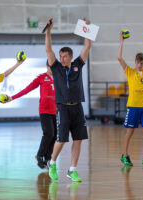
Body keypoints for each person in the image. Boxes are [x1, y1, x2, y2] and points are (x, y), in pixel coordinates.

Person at [45, 18, 91, 182]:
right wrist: (49, 30)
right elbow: (48, 49)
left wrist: (87, 27)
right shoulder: (56, 67)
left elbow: (87, 46)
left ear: (71, 57)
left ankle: (72, 170)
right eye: (61, 56)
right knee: (61, 139)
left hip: (77, 107)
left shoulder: (78, 64)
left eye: (65, 56)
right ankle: (52, 163)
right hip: (62, 108)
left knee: (78, 139)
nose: (62, 59)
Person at [5, 63, 56, 169]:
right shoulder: (42, 78)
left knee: (55, 135)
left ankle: (47, 159)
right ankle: (39, 155)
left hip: (56, 111)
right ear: (47, 66)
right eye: (51, 66)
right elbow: (27, 89)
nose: (53, 69)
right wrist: (12, 98)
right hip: (44, 110)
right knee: (49, 133)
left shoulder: (58, 78)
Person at [118, 30, 143, 167]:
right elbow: (119, 58)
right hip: (133, 106)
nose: (140, 65)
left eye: (142, 63)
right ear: (135, 62)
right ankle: (125, 155)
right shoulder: (130, 71)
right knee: (130, 132)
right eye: (138, 63)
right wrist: (121, 42)